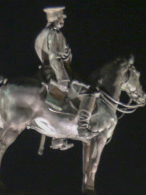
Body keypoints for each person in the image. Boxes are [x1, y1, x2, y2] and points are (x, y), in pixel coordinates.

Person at [32, 6, 96, 144]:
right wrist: (63, 78)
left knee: (67, 99)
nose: (62, 21)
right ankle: (83, 128)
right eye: (61, 18)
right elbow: (54, 57)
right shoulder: (53, 33)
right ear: (55, 19)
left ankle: (57, 137)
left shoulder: (46, 33)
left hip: (50, 69)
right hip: (56, 70)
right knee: (88, 93)